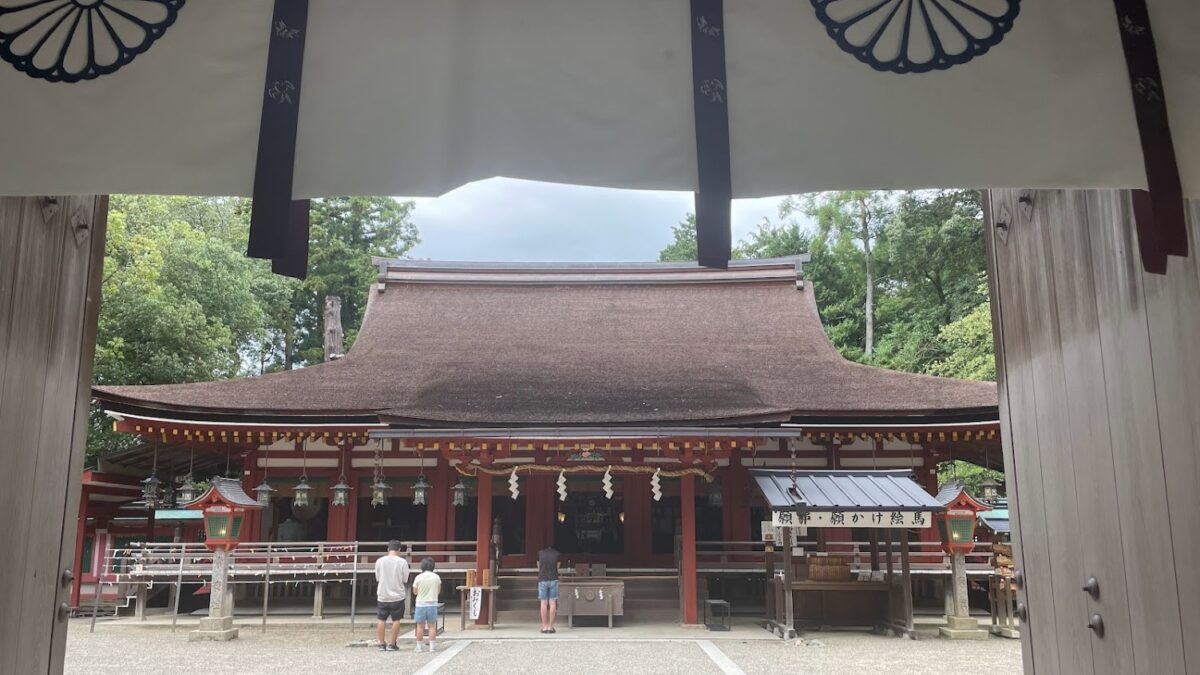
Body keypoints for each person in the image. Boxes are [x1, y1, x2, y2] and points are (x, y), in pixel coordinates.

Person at [374, 540, 410, 651]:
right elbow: (405, 579)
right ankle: (392, 643)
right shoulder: (402, 562)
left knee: (381, 619)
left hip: (383, 594)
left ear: (388, 549)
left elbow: (378, 578)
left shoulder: (380, 561)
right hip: (397, 595)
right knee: (396, 619)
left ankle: (381, 643)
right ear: (399, 550)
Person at [412, 557, 442, 653]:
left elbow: (415, 592)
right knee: (432, 626)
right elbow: (438, 591)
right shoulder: (436, 577)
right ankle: (432, 647)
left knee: (420, 626)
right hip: (432, 604)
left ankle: (419, 647)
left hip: (420, 604)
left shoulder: (418, 577)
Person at [537, 545, 561, 633]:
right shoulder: (557, 554)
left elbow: (538, 566)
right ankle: (551, 627)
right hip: (554, 578)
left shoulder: (539, 553)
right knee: (553, 603)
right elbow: (557, 567)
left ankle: (544, 626)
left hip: (543, 578)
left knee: (543, 603)